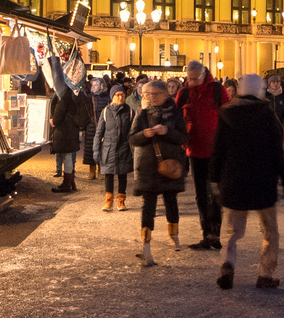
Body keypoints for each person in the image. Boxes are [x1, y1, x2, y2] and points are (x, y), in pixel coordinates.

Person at [210, 74, 284, 289]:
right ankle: (265, 273)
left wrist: (214, 177)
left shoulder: (226, 113)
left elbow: (217, 149)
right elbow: (276, 151)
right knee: (269, 231)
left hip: (234, 180)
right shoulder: (267, 115)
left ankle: (227, 264)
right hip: (262, 181)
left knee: (232, 231)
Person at [130, 79, 189, 266]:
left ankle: (175, 235)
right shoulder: (142, 113)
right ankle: (146, 243)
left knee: (171, 200)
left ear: (165, 94)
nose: (152, 98)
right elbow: (132, 138)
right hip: (148, 166)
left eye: (155, 94)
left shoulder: (176, 113)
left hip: (170, 164)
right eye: (148, 95)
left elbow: (183, 137)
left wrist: (167, 131)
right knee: (148, 204)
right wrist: (144, 135)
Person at [176, 61, 228, 250]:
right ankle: (206, 235)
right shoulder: (183, 93)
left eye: (194, 78)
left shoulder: (217, 90)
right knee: (200, 195)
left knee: (215, 193)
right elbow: (176, 118)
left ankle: (216, 234)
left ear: (203, 74)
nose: (190, 82)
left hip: (215, 150)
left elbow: (228, 115)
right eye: (188, 78)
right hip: (194, 149)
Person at [49, 80, 93, 194]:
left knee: (67, 156)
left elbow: (59, 113)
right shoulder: (73, 91)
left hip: (65, 130)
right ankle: (71, 181)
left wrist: (53, 120)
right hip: (72, 129)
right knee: (68, 156)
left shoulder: (64, 94)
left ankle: (67, 183)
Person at [94, 88, 134, 211]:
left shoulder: (130, 112)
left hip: (124, 148)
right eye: (117, 95)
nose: (120, 97)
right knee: (109, 175)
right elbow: (99, 132)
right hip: (108, 148)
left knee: (122, 175)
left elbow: (133, 132)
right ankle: (108, 201)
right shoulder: (106, 111)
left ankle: (121, 201)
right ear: (112, 96)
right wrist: (96, 150)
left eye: (122, 95)